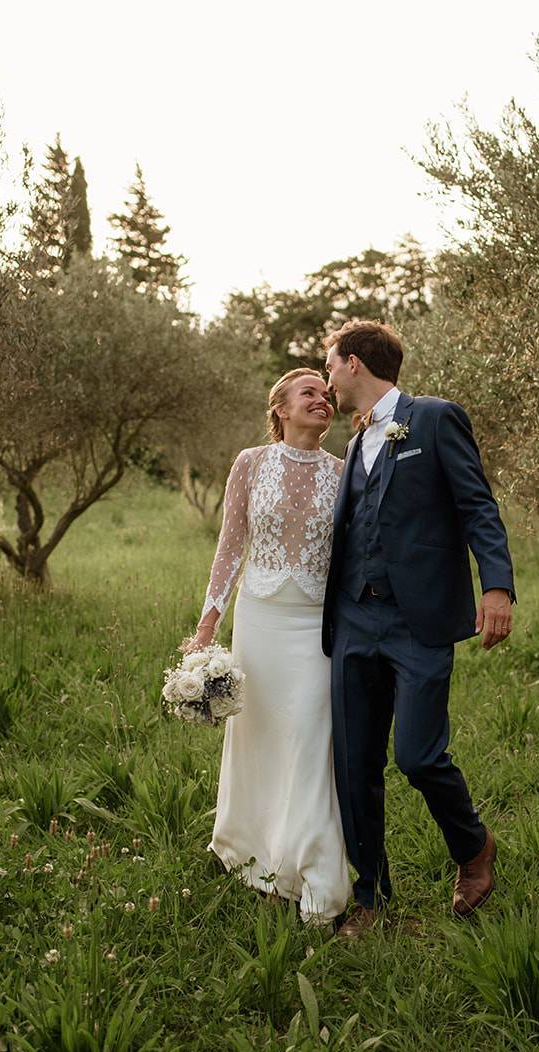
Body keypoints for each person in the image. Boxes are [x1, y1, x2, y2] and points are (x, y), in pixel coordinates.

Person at [321, 320, 515, 939]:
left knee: (418, 755)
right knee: (354, 763)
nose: (328, 378)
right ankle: (371, 898)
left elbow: (477, 505)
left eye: (331, 365)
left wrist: (497, 586)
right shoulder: (354, 442)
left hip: (418, 618)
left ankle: (473, 846)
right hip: (354, 618)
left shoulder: (432, 418)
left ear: (354, 363)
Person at [185, 368, 351, 924]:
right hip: (259, 621)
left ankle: (316, 876)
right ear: (280, 408)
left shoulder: (343, 472)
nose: (322, 399)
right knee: (256, 735)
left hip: (316, 627)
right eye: (309, 393)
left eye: (326, 394)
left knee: (310, 737)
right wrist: (207, 627)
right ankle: (248, 850)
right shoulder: (250, 464)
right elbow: (230, 546)